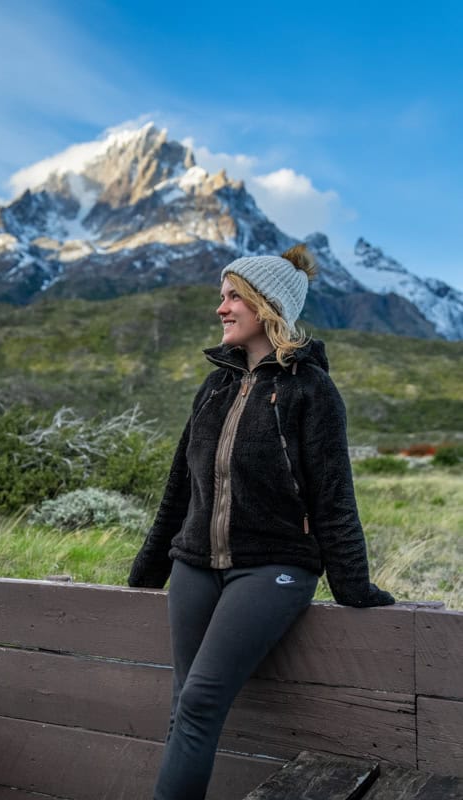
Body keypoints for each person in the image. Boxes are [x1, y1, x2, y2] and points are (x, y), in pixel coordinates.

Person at [128, 246, 395, 800]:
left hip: (273, 568)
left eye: (232, 297)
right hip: (195, 565)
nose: (220, 309)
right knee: (184, 702)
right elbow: (181, 487)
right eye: (221, 297)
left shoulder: (311, 390)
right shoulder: (215, 387)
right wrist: (149, 570)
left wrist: (354, 587)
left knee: (200, 698)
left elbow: (334, 498)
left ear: (265, 304)